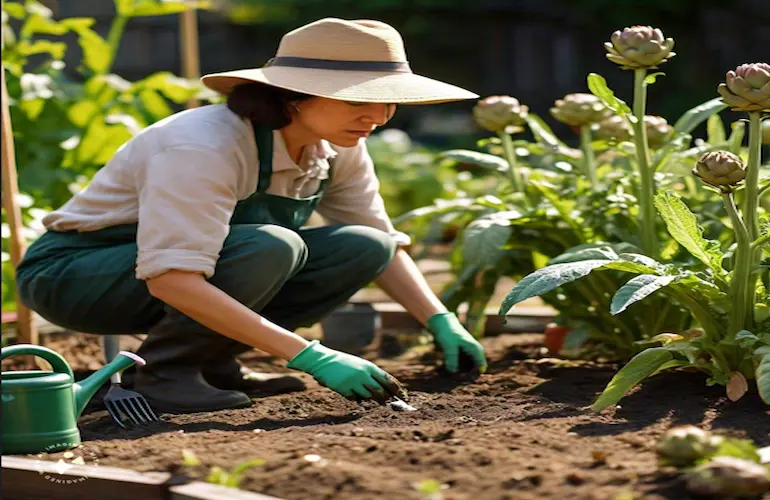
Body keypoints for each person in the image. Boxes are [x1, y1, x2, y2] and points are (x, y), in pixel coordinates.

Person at [15, 17, 487, 414]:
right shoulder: (203, 145)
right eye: (359, 100)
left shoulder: (338, 145)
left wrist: (441, 320)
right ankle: (163, 372)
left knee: (364, 245)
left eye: (389, 101)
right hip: (76, 274)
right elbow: (171, 280)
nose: (379, 116)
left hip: (172, 272)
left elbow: (383, 244)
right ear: (293, 96)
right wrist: (312, 356)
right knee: (272, 245)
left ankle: (214, 362)